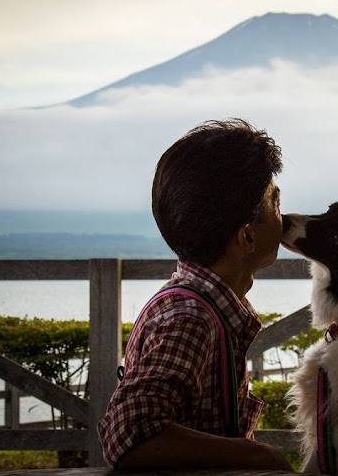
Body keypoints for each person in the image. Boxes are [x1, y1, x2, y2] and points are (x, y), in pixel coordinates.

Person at [96, 118, 293, 471]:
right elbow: (131, 434)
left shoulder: (198, 303)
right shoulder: (190, 317)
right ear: (247, 237)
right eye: (276, 205)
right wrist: (259, 456)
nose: (287, 219)